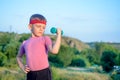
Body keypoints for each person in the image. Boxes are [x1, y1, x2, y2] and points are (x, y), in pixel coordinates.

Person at [16, 14, 61, 80]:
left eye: (43, 27)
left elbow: (54, 51)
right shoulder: (25, 43)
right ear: (30, 26)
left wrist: (59, 35)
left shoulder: (45, 39)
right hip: (30, 74)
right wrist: (22, 67)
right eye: (38, 26)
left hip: (44, 73)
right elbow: (18, 57)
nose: (41, 29)